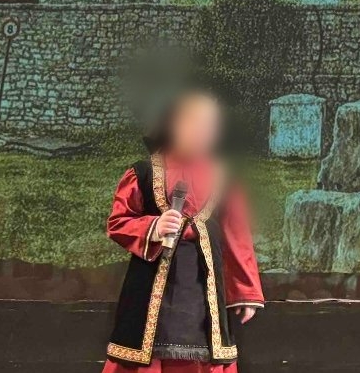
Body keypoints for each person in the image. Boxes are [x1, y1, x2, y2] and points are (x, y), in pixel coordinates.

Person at [101, 90, 263, 372]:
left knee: (205, 350)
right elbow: (119, 221)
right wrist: (153, 226)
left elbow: (237, 234)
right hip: (151, 285)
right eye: (196, 123)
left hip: (202, 285)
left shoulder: (224, 177)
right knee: (145, 350)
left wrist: (245, 291)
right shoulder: (144, 173)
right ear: (175, 124)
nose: (204, 132)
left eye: (211, 125)